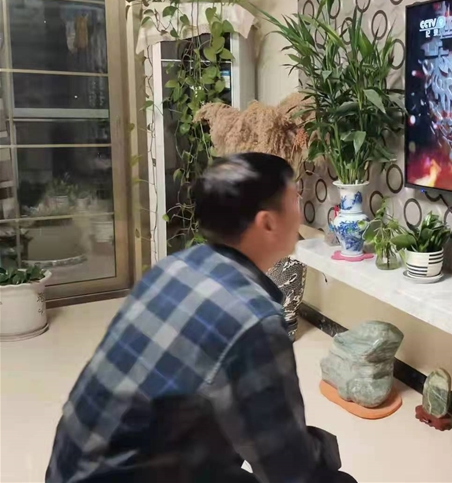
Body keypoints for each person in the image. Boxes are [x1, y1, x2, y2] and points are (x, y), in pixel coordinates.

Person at [46, 153, 355, 483]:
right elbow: (288, 469)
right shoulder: (253, 319)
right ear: (267, 223)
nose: (301, 212)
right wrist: (325, 451)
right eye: (294, 200)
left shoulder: (173, 267)